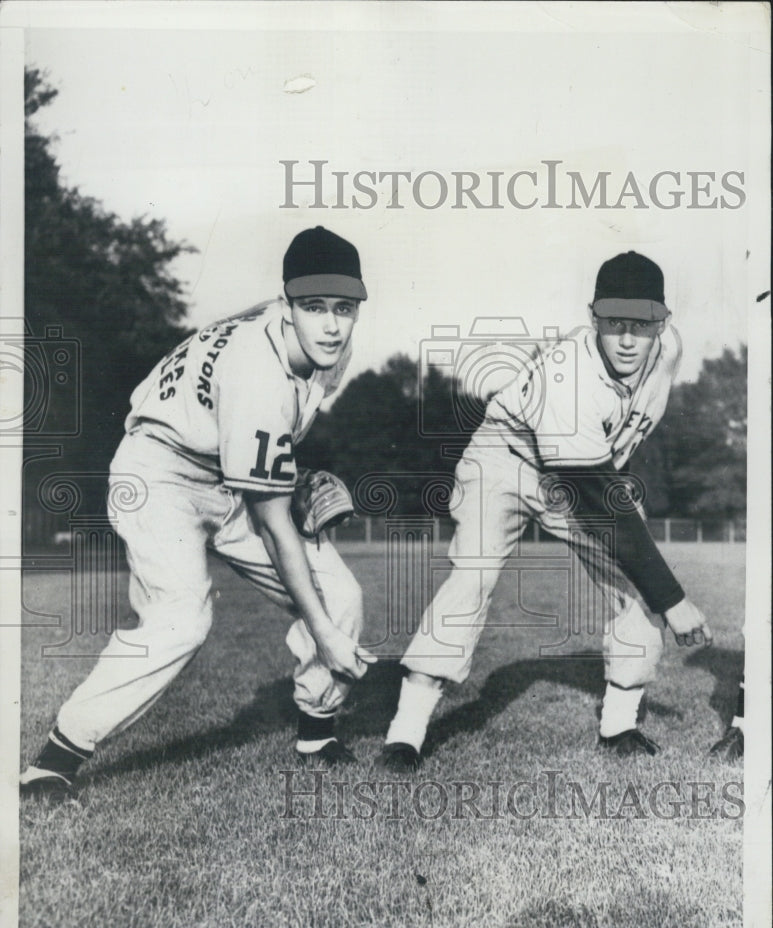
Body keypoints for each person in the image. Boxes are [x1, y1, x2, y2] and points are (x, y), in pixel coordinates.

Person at [21, 226, 375, 797]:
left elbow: (264, 440)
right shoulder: (257, 370)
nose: (332, 325)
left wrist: (293, 473)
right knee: (182, 618)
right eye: (314, 307)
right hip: (158, 470)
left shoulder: (326, 350)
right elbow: (274, 523)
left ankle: (316, 733)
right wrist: (322, 633)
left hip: (223, 475)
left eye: (345, 307)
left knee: (342, 595)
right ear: (286, 305)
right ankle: (55, 760)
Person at [378, 251, 712, 771]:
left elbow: (606, 458)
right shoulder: (570, 376)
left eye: (643, 323)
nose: (628, 339)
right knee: (472, 578)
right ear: (592, 317)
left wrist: (659, 590)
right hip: (505, 459)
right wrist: (675, 600)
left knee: (636, 584)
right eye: (614, 322)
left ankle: (619, 724)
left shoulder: (669, 350)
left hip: (586, 471)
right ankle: (405, 734)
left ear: (663, 323)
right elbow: (596, 497)